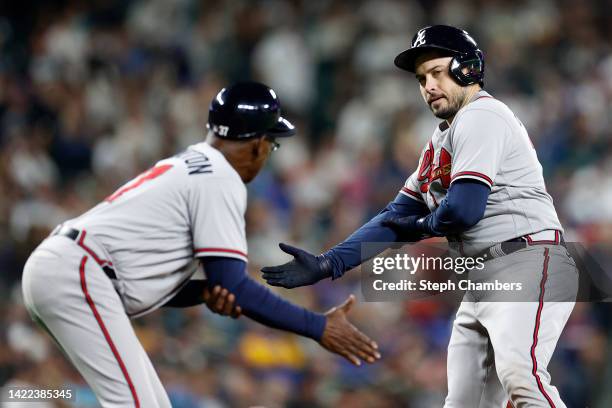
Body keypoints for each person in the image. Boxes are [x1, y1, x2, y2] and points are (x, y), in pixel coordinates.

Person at [261, 25, 578, 407]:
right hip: (486, 277)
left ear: (468, 70)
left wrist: (422, 226)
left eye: (438, 72)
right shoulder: (441, 140)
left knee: (521, 377)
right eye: (422, 78)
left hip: (528, 260)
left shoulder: (483, 115)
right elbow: (396, 218)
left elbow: (463, 209)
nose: (428, 85)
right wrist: (330, 262)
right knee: (464, 402)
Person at [21, 81, 380, 408]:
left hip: (72, 270)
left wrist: (204, 291)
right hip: (76, 273)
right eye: (272, 142)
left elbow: (200, 283)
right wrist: (318, 326)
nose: (270, 151)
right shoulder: (221, 177)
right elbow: (234, 284)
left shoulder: (192, 163)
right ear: (257, 144)